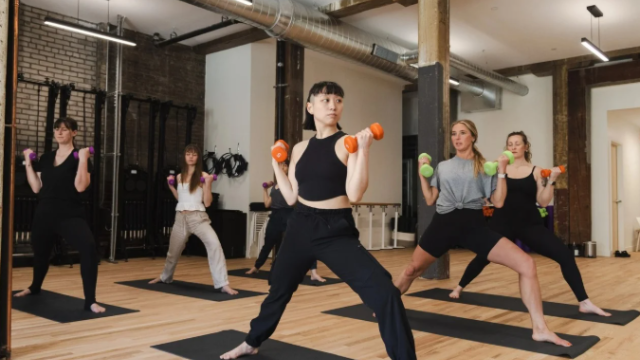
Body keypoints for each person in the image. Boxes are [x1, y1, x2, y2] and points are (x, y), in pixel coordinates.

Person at [220, 81, 416, 360]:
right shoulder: (299, 149)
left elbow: (355, 194)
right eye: (325, 100)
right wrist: (277, 165)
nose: (333, 105)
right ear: (310, 107)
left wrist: (364, 151)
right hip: (300, 224)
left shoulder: (347, 143)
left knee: (386, 293)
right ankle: (252, 341)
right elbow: (290, 197)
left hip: (334, 229)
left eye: (338, 99)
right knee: (279, 288)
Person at [394, 120, 571, 347]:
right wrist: (421, 174)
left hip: (473, 227)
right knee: (411, 269)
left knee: (527, 264)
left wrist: (502, 172)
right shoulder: (443, 167)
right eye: (454, 134)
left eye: (463, 133)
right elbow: (430, 199)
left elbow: (498, 202)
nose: (457, 138)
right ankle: (386, 307)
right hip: (443, 224)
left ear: (473, 137)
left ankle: (540, 329)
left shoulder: (485, 167)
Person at [449, 131, 610, 317]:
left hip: (529, 225)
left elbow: (542, 201)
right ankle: (459, 287)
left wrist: (552, 181)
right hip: (501, 223)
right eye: (510, 144)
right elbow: (488, 194)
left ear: (526, 147)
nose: (513, 147)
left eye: (517, 143)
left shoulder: (536, 171)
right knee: (482, 257)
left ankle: (584, 302)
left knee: (565, 255)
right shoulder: (500, 169)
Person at [15, 117, 105, 313]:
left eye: (65, 129)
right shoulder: (46, 158)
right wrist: (28, 164)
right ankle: (34, 287)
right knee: (41, 254)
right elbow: (37, 187)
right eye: (57, 129)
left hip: (69, 214)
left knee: (88, 249)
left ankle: (90, 300)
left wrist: (82, 159)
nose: (60, 132)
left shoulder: (79, 156)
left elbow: (81, 187)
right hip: (44, 213)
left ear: (74, 132)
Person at [149, 144, 238, 295]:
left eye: (194, 154)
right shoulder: (179, 176)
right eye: (188, 154)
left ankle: (223, 284)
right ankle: (165, 276)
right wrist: (171, 188)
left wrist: (208, 184)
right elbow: (181, 198)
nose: (191, 157)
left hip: (198, 218)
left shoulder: (203, 176)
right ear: (184, 157)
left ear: (198, 158)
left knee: (215, 245)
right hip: (180, 218)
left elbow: (208, 202)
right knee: (173, 252)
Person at [245, 160, 326, 282]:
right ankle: (256, 267)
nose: (282, 167)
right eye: (279, 165)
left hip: (289, 215)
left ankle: (313, 272)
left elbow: (295, 200)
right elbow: (267, 204)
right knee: (268, 244)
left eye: (284, 165)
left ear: (288, 168)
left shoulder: (292, 184)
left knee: (304, 242)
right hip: (275, 217)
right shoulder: (274, 187)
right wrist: (265, 189)